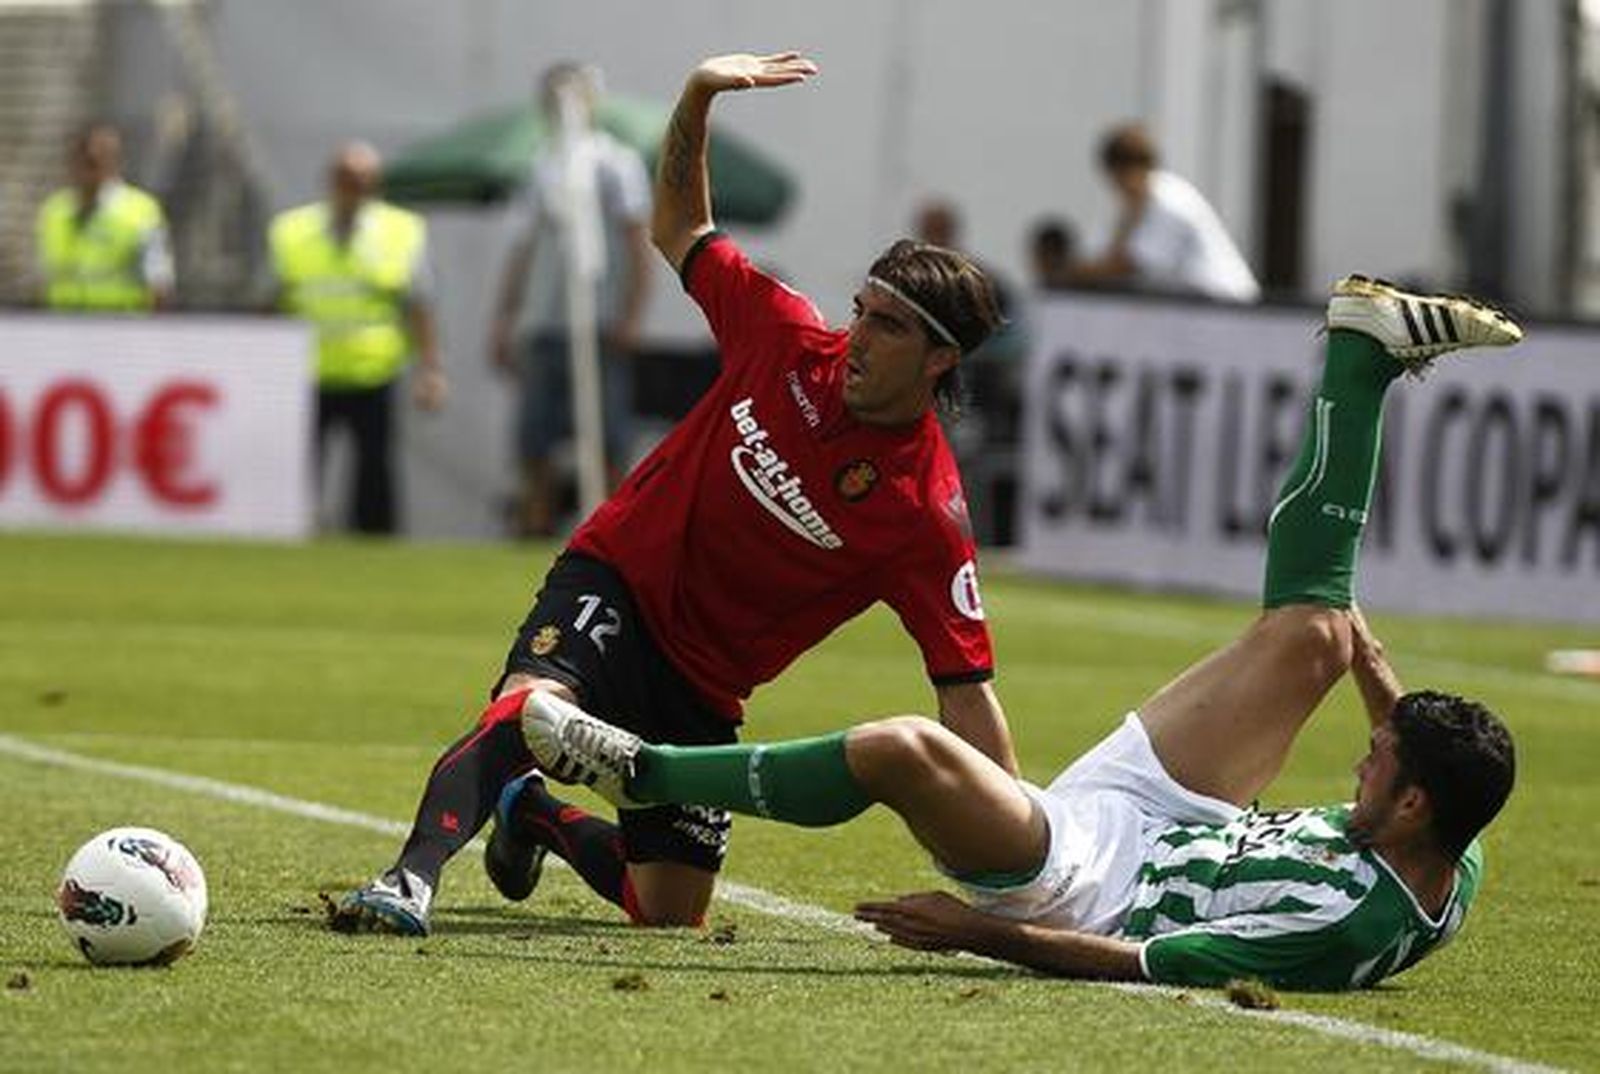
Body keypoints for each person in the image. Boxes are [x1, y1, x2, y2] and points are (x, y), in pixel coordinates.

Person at [517, 275, 1522, 991]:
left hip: (1086, 887)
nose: (1355, 765)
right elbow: (1394, 717)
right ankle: (1361, 352)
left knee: (899, 748)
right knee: (1314, 634)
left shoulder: (1335, 927)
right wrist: (1361, 650)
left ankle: (642, 770)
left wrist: (974, 932)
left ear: (1412, 807)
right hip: (1179, 813)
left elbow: (1140, 964)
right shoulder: (1449, 846)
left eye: (1375, 768)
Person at [330, 51, 1016, 936]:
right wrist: (697, 98)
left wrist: (1022, 859)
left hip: (704, 686)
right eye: (860, 311)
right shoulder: (783, 334)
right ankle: (407, 880)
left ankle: (534, 811)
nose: (857, 338)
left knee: (669, 913)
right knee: (531, 706)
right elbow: (678, 224)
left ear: (940, 359)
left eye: (885, 327)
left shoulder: (923, 511)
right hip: (617, 580)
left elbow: (964, 689)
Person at [488, 62, 653, 538]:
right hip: (544, 323)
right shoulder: (543, 164)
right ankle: (534, 526)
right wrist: (504, 317)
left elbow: (635, 242)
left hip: (599, 323)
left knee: (607, 436)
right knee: (533, 437)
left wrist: (631, 314)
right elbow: (521, 248)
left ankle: (616, 534)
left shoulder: (615, 164)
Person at [267, 142, 447, 535]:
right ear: (331, 182)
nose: (356, 190)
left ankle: (374, 546)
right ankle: (293, 535)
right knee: (298, 471)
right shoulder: (291, 231)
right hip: (306, 373)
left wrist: (430, 368)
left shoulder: (402, 231)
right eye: (349, 180)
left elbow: (420, 305)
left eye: (366, 182)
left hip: (374, 371)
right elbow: (269, 302)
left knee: (374, 471)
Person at [1070, 123, 1260, 303]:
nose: (1119, 187)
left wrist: (1069, 273)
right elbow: (1103, 255)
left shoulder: (1172, 202)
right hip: (1193, 310)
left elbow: (1127, 266)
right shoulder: (1128, 207)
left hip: (1228, 307)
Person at [35, 122, 174, 312]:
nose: (88, 171)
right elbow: (45, 278)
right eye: (83, 161)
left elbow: (159, 284)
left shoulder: (141, 211)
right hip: (62, 326)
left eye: (95, 162)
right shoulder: (55, 210)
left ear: (114, 161)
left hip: (120, 328)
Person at [1027, 216, 1079, 292]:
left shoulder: (1088, 297)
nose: (1051, 261)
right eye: (1045, 255)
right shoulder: (1024, 299)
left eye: (1056, 255)